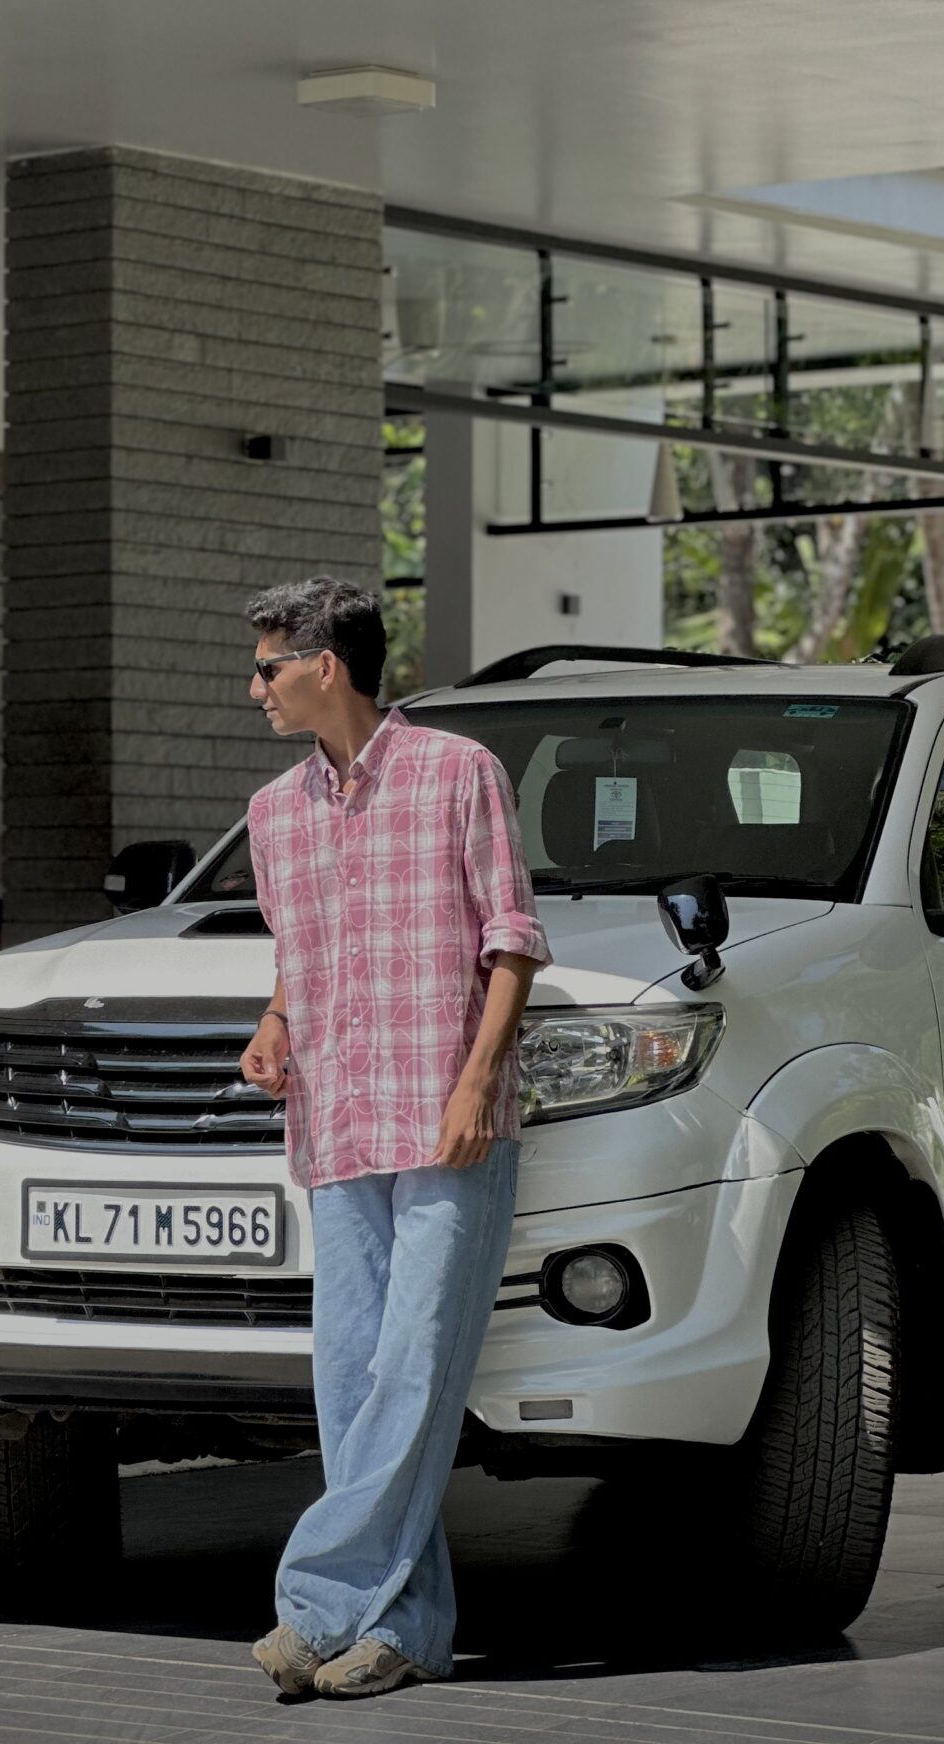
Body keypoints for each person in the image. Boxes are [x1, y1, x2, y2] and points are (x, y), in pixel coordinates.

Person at [238, 576, 550, 1700]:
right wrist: (276, 1021)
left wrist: (478, 1083)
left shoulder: (459, 772)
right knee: (350, 1385)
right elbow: (298, 951)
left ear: (326, 665)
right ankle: (407, 1630)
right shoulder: (274, 814)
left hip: (446, 1121)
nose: (256, 688)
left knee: (415, 1371)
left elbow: (511, 941)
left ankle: (318, 1605)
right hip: (335, 1122)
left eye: (268, 666)